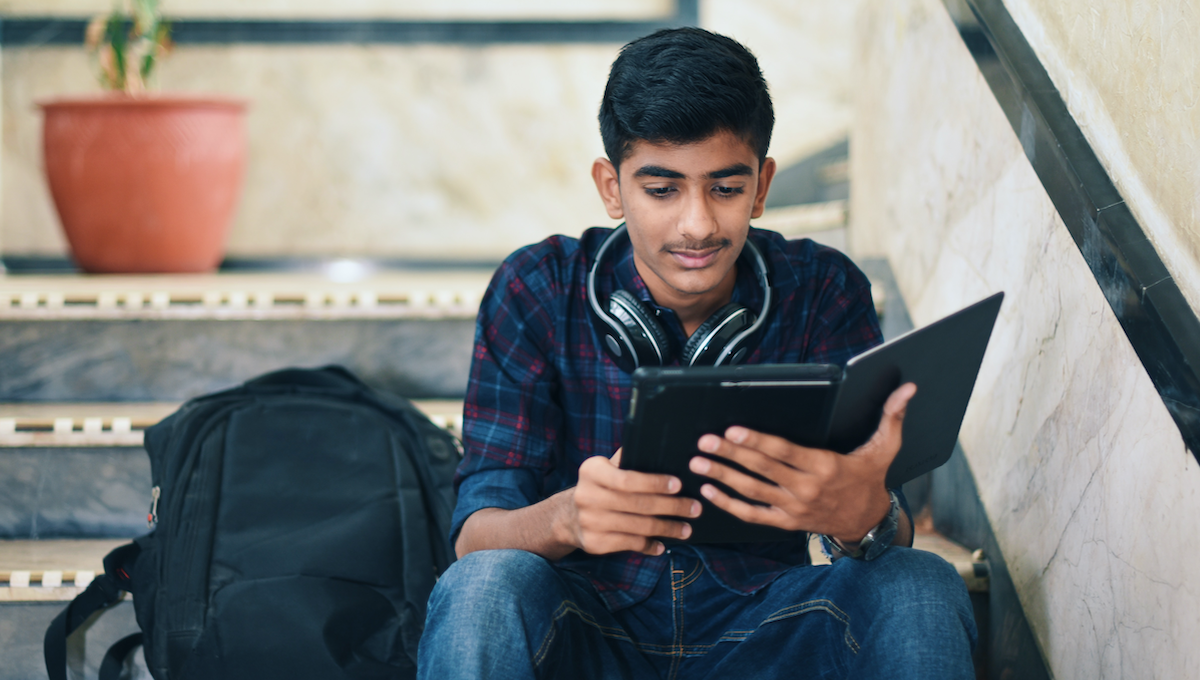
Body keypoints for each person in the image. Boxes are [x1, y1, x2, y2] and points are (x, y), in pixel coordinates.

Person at [417, 27, 976, 679]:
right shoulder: (537, 289)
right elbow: (475, 539)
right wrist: (567, 516)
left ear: (762, 185)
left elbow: (889, 523)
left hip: (765, 630)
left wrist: (866, 517)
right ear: (610, 186)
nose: (697, 225)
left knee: (920, 583)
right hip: (585, 631)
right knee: (484, 587)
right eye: (661, 190)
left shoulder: (824, 290)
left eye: (725, 188)